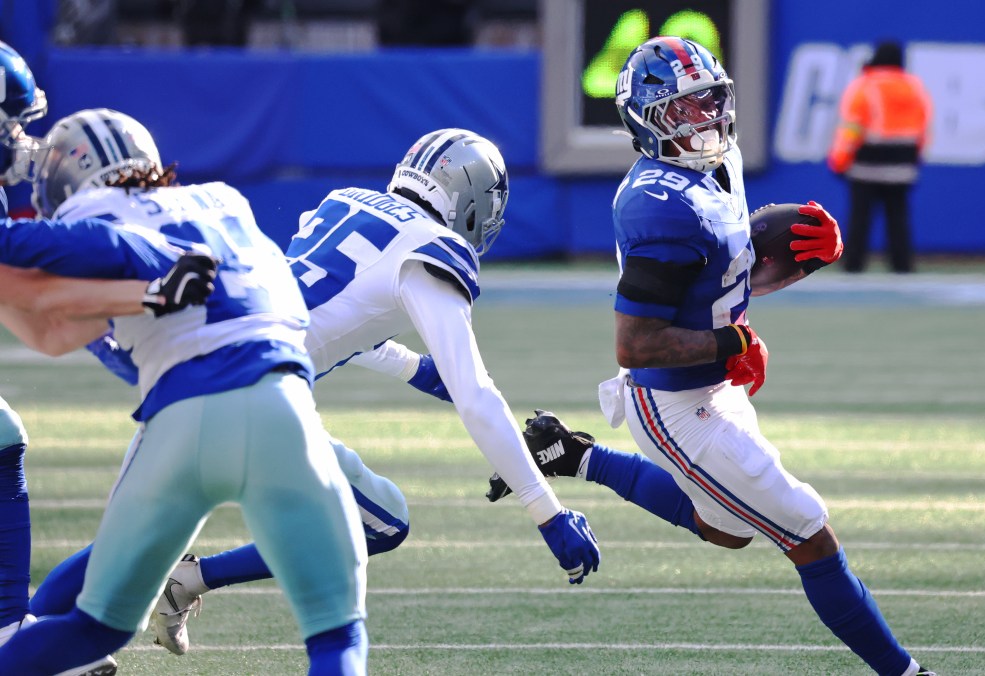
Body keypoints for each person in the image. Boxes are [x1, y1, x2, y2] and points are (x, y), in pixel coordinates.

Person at [24, 126, 602, 657]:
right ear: (468, 198)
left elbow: (326, 314)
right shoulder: (431, 247)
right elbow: (473, 391)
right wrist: (546, 510)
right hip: (261, 394)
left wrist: (421, 372)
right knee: (361, 564)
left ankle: (45, 624)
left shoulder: (345, 203)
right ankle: (177, 587)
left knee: (123, 555)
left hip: (193, 371)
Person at [491, 37, 934, 676]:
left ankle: (572, 454)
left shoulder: (718, 166)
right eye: (686, 107)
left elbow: (723, 274)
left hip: (712, 383)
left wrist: (799, 258)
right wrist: (736, 342)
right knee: (809, 534)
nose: (707, 117)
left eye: (711, 100)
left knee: (727, 529)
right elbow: (636, 342)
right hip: (675, 403)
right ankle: (906, 672)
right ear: (648, 118)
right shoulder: (657, 206)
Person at [0, 108, 370, 675]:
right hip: (282, 410)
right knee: (337, 636)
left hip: (179, 422)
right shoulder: (227, 202)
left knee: (93, 628)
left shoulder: (93, 216)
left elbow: (84, 260)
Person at [827, 40, 932, 273]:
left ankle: (853, 266)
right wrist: (915, 157)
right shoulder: (914, 88)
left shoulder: (865, 86)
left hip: (866, 165)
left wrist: (840, 160)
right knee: (898, 218)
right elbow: (924, 127)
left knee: (860, 218)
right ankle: (902, 267)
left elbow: (851, 128)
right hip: (902, 165)